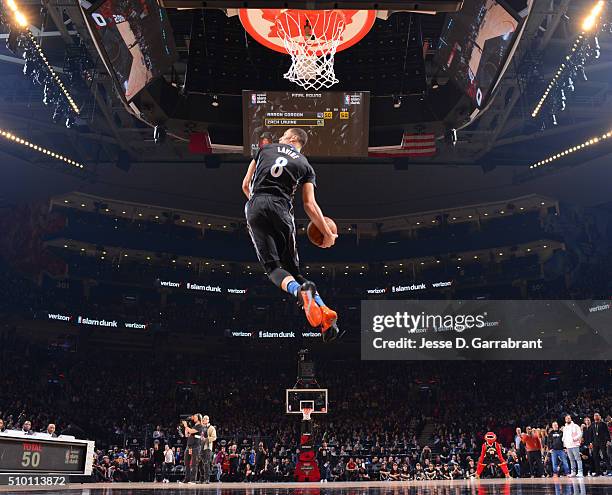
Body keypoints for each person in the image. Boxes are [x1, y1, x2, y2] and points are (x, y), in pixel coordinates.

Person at [242, 127, 341, 342]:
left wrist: (257, 206)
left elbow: (245, 185)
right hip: (281, 209)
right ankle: (327, 318)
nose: (279, 138)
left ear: (293, 138)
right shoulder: (305, 165)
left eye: (283, 135)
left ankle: (302, 295)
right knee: (295, 274)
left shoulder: (264, 150)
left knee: (273, 269)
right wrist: (327, 234)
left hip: (256, 204)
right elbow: (309, 204)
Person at [180, 414, 203, 484]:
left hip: (195, 447)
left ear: (199, 418)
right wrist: (185, 428)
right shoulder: (194, 426)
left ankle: (193, 480)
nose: (193, 418)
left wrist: (186, 426)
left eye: (195, 417)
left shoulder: (200, 426)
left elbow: (191, 431)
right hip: (189, 446)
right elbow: (187, 435)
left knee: (194, 464)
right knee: (186, 463)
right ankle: (187, 479)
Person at [589, 412, 611, 476]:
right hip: (595, 443)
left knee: (605, 456)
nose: (596, 417)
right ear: (593, 417)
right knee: (595, 457)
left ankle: (609, 470)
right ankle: (598, 472)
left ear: (599, 417)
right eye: (595, 416)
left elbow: (607, 433)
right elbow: (591, 434)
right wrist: (590, 442)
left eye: (597, 416)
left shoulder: (603, 424)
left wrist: (608, 440)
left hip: (602, 442)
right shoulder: (592, 425)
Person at [199, 415, 217, 484]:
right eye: (203, 419)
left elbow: (214, 437)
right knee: (200, 463)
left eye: (205, 419)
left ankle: (207, 479)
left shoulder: (211, 428)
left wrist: (206, 439)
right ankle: (201, 478)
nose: (204, 420)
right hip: (201, 447)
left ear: (208, 420)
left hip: (207, 447)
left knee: (206, 464)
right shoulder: (201, 428)